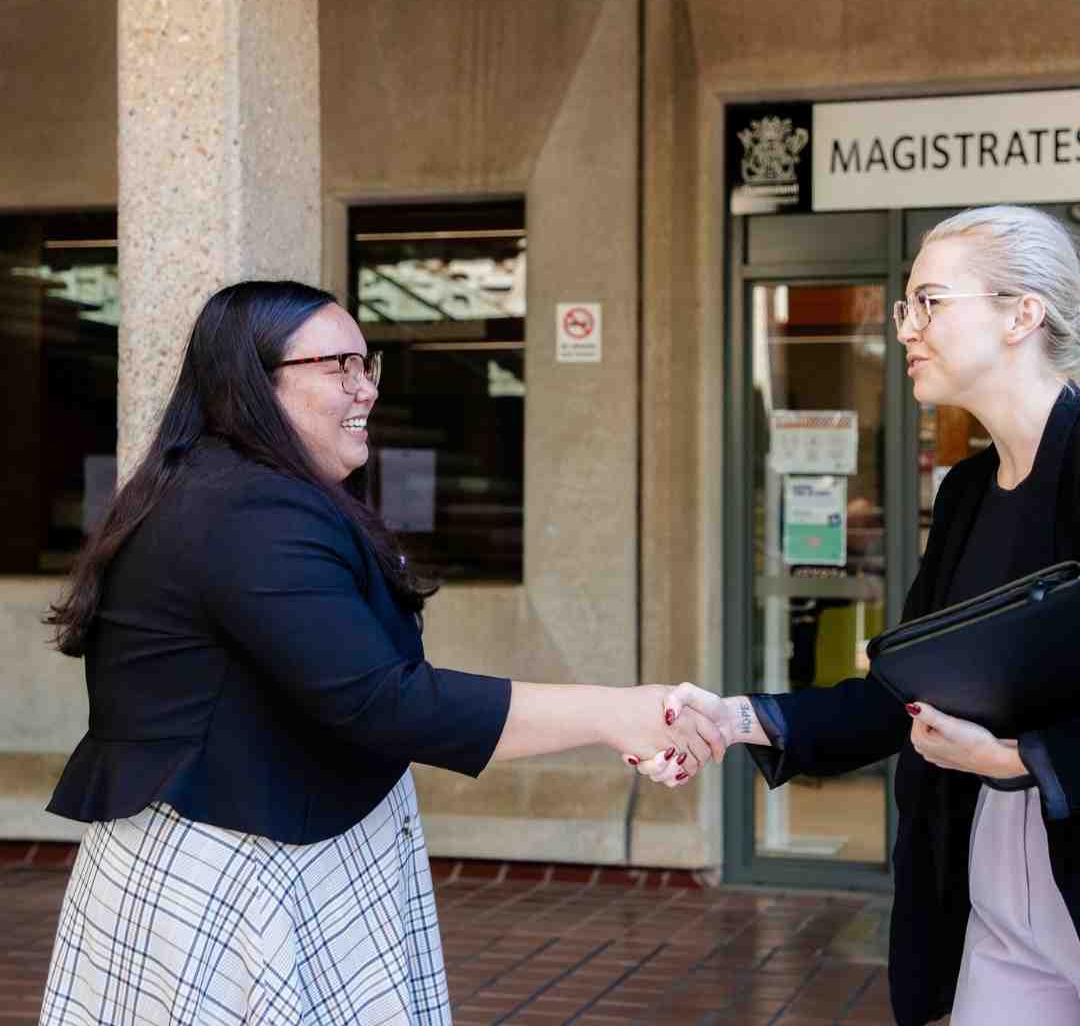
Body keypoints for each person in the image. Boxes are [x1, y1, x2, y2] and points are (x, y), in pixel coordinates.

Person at [38, 281, 720, 1025]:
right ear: (254, 382)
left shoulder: (240, 491)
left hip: (273, 843)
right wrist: (613, 713)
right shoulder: (246, 508)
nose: (365, 388)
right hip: (239, 868)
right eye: (339, 366)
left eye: (368, 364)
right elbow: (382, 699)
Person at [633, 205, 1080, 1025]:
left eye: (931, 302)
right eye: (906, 306)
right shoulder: (968, 495)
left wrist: (1020, 758)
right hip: (992, 872)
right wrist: (735, 719)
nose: (905, 326)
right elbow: (899, 693)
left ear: (1024, 315)